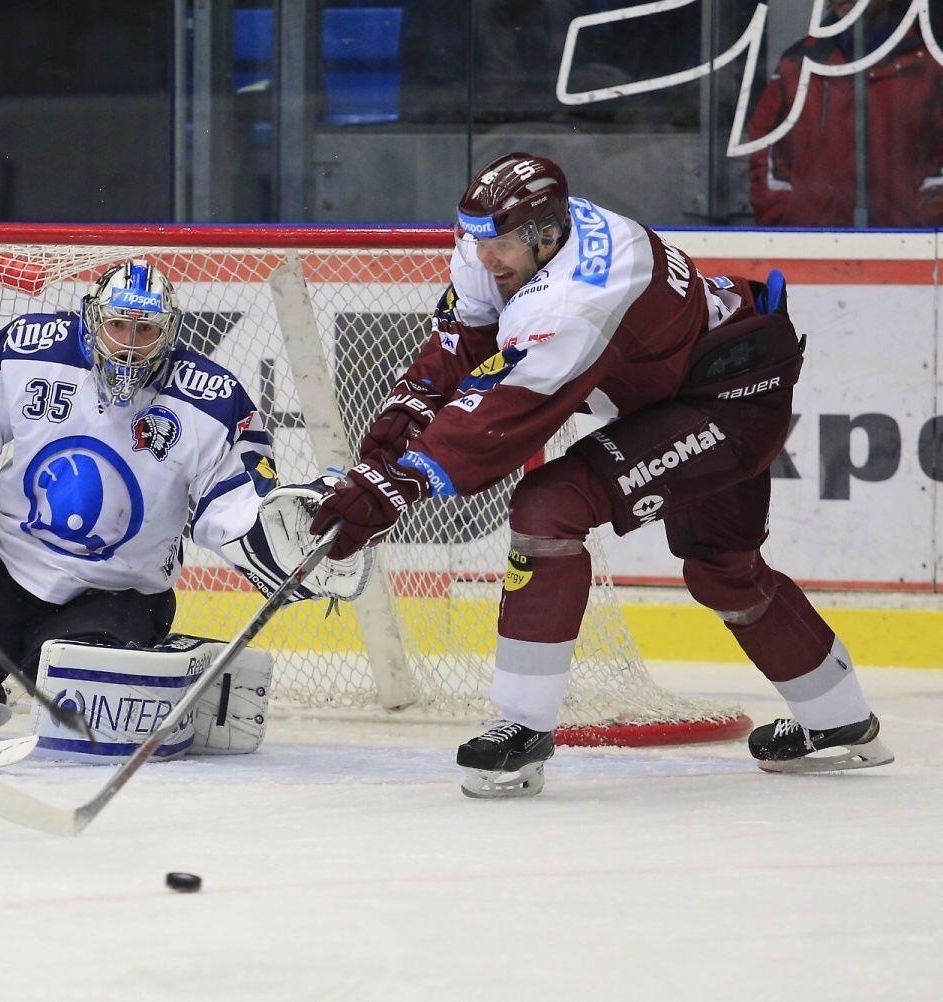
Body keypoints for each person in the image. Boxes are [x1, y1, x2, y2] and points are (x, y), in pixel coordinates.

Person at [310, 152, 894, 798]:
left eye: (501, 245)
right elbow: (456, 352)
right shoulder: (502, 245)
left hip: (732, 398)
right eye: (480, 242)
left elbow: (501, 415)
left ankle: (521, 730)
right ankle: (840, 725)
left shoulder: (582, 294)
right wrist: (380, 455)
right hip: (697, 381)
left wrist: (401, 484)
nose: (485, 260)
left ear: (546, 236)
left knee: (549, 506)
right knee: (722, 568)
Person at [0, 260, 367, 750]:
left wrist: (294, 536)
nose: (128, 343)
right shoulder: (28, 349)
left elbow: (236, 506)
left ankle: (187, 683)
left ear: (167, 333)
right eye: (118, 325)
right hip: (0, 573)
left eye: (144, 329)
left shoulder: (211, 398)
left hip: (118, 595)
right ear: (91, 319)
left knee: (86, 715)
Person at [747, 0, 943, 227]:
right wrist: (786, 221)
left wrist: (925, 230)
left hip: (906, 252)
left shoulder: (929, 68)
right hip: (810, 249)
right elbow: (766, 148)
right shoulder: (797, 65)